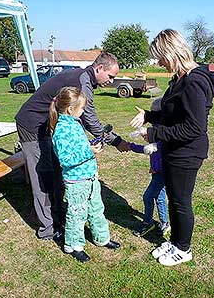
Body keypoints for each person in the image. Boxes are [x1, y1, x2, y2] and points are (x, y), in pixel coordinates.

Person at [15, 52, 129, 241]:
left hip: (47, 126)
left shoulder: (84, 78)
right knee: (42, 177)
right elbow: (90, 119)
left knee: (56, 172)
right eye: (110, 76)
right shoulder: (81, 82)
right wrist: (116, 141)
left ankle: (58, 218)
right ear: (99, 69)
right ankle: (48, 229)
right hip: (32, 125)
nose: (111, 81)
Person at [130, 29, 214, 266]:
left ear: (171, 52)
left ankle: (183, 248)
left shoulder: (193, 82)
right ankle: (176, 241)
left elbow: (194, 128)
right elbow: (173, 116)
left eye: (160, 57)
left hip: (186, 153)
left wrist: (153, 133)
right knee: (173, 198)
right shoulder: (179, 79)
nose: (158, 62)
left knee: (181, 201)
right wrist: (150, 116)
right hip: (173, 150)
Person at [49, 86, 120, 262]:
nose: (83, 112)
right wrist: (90, 151)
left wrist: (90, 146)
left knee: (96, 208)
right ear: (71, 109)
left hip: (90, 177)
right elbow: (66, 159)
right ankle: (73, 246)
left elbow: (79, 147)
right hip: (76, 181)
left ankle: (102, 238)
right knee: (77, 214)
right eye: (81, 109)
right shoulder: (61, 130)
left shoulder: (74, 123)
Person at [129, 97, 170, 237]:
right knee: (159, 196)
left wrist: (156, 168)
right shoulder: (155, 130)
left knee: (148, 196)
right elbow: (147, 149)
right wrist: (131, 146)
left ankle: (147, 223)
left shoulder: (163, 132)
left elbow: (161, 150)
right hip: (157, 171)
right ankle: (164, 222)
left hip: (161, 172)